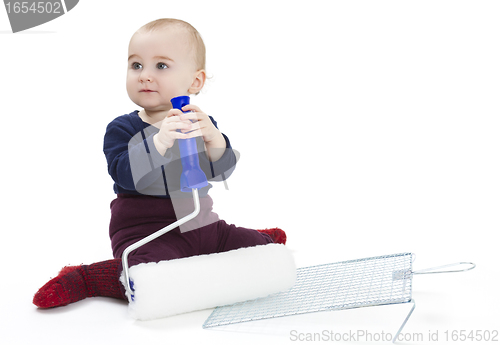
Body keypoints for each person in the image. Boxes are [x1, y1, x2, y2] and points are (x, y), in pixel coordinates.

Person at [33, 18, 286, 309]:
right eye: (136, 65)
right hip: (149, 233)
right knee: (146, 277)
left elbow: (222, 172)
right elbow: (124, 175)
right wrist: (158, 142)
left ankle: (252, 240)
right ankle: (89, 278)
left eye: (161, 66)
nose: (144, 76)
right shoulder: (121, 129)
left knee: (265, 252)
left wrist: (215, 138)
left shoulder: (199, 122)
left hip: (202, 225)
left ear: (195, 81)